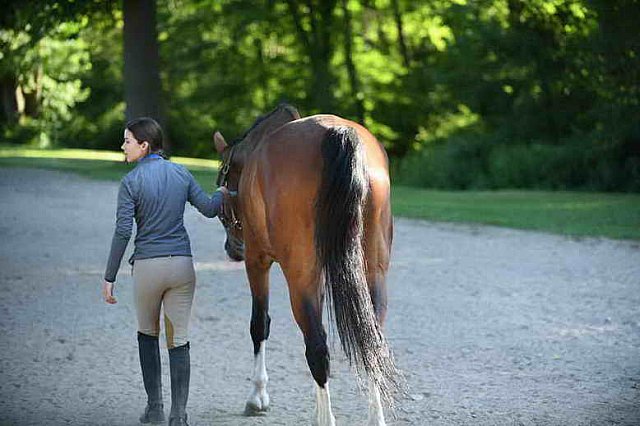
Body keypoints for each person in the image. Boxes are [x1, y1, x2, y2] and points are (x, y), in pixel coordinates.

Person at [101, 117, 227, 426]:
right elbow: (211, 208)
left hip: (148, 268)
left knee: (147, 334)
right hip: (182, 266)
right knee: (179, 339)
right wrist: (225, 192)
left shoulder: (131, 182)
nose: (123, 146)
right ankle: (178, 416)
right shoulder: (181, 173)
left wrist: (109, 276)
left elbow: (122, 233)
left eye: (128, 141)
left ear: (144, 145)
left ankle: (155, 407)